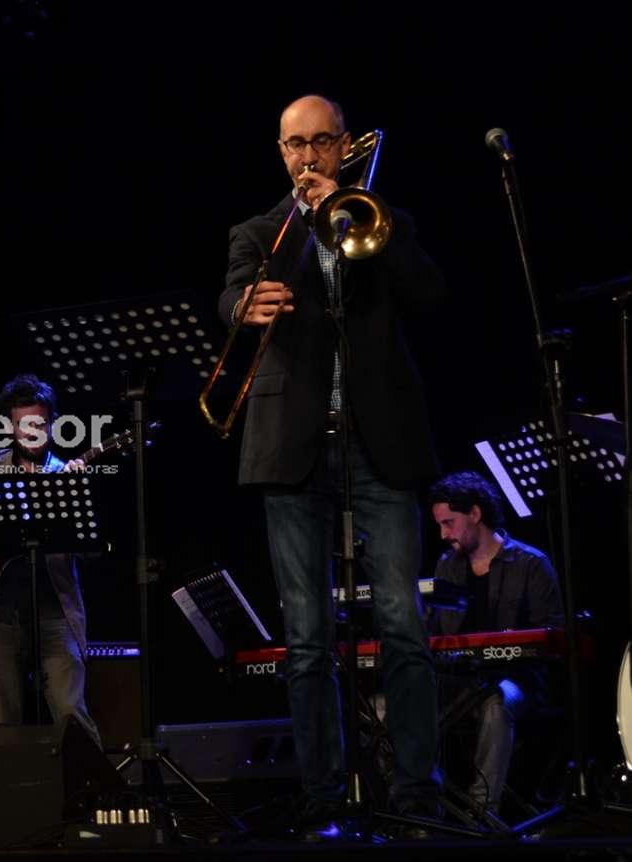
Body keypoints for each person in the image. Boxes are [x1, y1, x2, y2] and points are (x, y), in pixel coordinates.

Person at [218, 94, 448, 833]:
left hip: (379, 440)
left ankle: (416, 794)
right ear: (281, 152)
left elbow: (429, 294)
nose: (309, 156)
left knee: (401, 623)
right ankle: (324, 797)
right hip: (292, 444)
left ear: (345, 147)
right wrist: (244, 305)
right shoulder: (260, 230)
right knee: (308, 638)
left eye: (322, 142)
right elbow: (233, 297)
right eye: (296, 145)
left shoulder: (383, 217)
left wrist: (352, 215)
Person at [0, 374, 100, 748]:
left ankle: (91, 786)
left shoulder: (68, 473)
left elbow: (90, 552)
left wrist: (75, 497)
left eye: (39, 425)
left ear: (52, 423)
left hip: (54, 613)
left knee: (72, 715)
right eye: (23, 425)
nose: (31, 434)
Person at [427, 471, 562, 814]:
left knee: (496, 703)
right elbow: (433, 632)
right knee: (385, 707)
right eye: (440, 525)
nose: (443, 534)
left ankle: (481, 812)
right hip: (458, 681)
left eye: (449, 523)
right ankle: (419, 806)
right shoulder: (447, 566)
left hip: (516, 680)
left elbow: (552, 638)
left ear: (475, 513)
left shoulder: (531, 563)